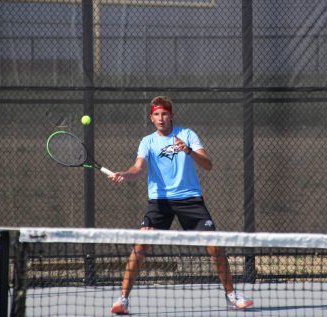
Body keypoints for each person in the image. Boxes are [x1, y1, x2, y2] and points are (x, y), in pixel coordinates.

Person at [108, 96, 253, 315]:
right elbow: (137, 168)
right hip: (160, 202)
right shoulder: (147, 141)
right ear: (151, 118)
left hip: (190, 200)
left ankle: (232, 295)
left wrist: (188, 151)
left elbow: (208, 165)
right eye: (156, 114)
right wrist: (125, 175)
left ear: (171, 115)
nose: (161, 118)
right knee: (139, 247)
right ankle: (123, 300)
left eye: (164, 114)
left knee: (215, 248)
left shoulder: (187, 134)